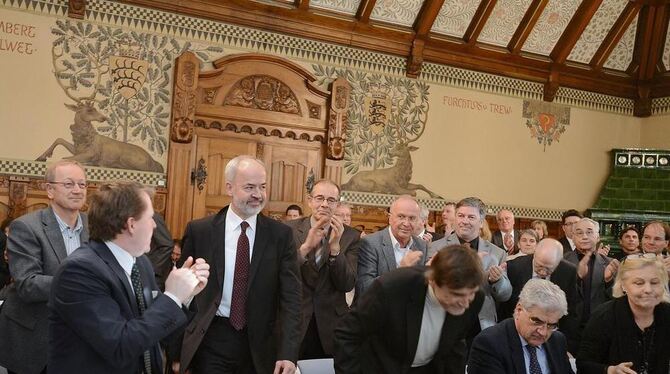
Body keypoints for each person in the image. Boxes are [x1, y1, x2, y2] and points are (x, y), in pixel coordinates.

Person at [48, 181, 210, 373]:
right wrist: (172, 297)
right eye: (151, 218)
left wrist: (184, 296)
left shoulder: (140, 263)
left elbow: (156, 333)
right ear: (131, 224)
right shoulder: (79, 271)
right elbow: (120, 346)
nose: (154, 226)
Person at [177, 155, 301, 374]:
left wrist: (288, 353)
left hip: (261, 346)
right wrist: (177, 351)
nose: (258, 194)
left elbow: (292, 299)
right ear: (229, 188)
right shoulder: (200, 231)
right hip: (211, 339)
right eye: (249, 187)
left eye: (263, 186)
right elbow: (180, 294)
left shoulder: (281, 236)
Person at [334, 244, 485, 374]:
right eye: (456, 294)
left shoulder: (476, 297)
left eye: (471, 294)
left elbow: (455, 344)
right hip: (380, 367)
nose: (465, 304)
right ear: (432, 280)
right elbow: (347, 335)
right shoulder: (392, 287)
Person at [0, 160, 89, 374]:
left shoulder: (96, 226)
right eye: (68, 184)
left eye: (82, 184)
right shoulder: (26, 227)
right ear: (49, 190)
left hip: (81, 339)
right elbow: (28, 285)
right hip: (34, 340)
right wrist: (84, 283)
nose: (77, 190)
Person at [285, 179, 359, 359]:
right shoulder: (288, 230)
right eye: (319, 198)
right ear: (310, 201)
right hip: (294, 321)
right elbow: (281, 274)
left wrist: (335, 249)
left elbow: (347, 283)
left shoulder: (350, 235)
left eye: (331, 200)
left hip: (330, 325)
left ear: (337, 204)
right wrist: (305, 248)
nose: (324, 204)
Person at [577, 255, 670, 373]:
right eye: (639, 283)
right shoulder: (604, 317)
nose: (648, 289)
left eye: (655, 282)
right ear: (623, 285)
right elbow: (583, 364)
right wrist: (610, 370)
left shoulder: (667, 314)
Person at [429, 197, 511, 330]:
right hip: (445, 321)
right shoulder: (436, 248)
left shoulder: (497, 253)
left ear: (481, 223)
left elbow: (505, 295)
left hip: (481, 325)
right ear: (455, 218)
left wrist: (497, 280)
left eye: (471, 217)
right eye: (461, 216)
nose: (465, 221)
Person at [468, 279, 574, 374]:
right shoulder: (489, 344)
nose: (543, 332)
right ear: (519, 310)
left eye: (551, 325)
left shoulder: (557, 341)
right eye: (537, 321)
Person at [499, 238, 579, 353]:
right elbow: (505, 306)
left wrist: (564, 344)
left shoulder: (568, 271)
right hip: (517, 334)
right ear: (534, 254)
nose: (542, 272)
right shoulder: (515, 267)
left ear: (558, 262)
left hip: (550, 335)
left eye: (548, 269)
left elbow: (571, 311)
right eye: (539, 266)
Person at [356, 195, 428, 296]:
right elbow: (365, 288)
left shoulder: (421, 246)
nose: (406, 223)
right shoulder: (370, 243)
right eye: (401, 217)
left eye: (412, 218)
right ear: (390, 218)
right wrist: (400, 272)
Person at [563, 218, 617, 330]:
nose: (584, 236)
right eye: (579, 233)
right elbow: (557, 294)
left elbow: (616, 300)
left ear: (598, 237)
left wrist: (608, 281)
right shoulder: (561, 261)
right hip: (568, 327)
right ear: (572, 237)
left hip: (600, 327)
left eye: (589, 232)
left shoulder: (609, 264)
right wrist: (577, 278)